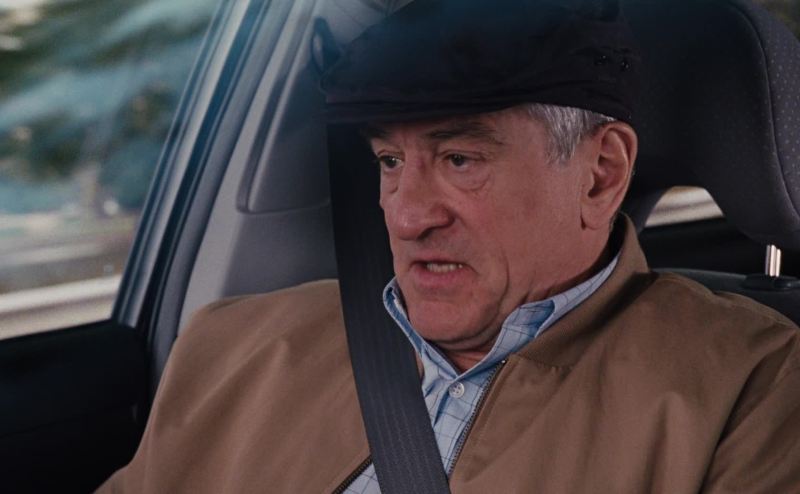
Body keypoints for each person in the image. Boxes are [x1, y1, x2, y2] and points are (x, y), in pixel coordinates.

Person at [98, 0, 800, 492]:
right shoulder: (229, 349)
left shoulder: (756, 389)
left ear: (600, 174)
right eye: (389, 162)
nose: (406, 217)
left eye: (460, 159)